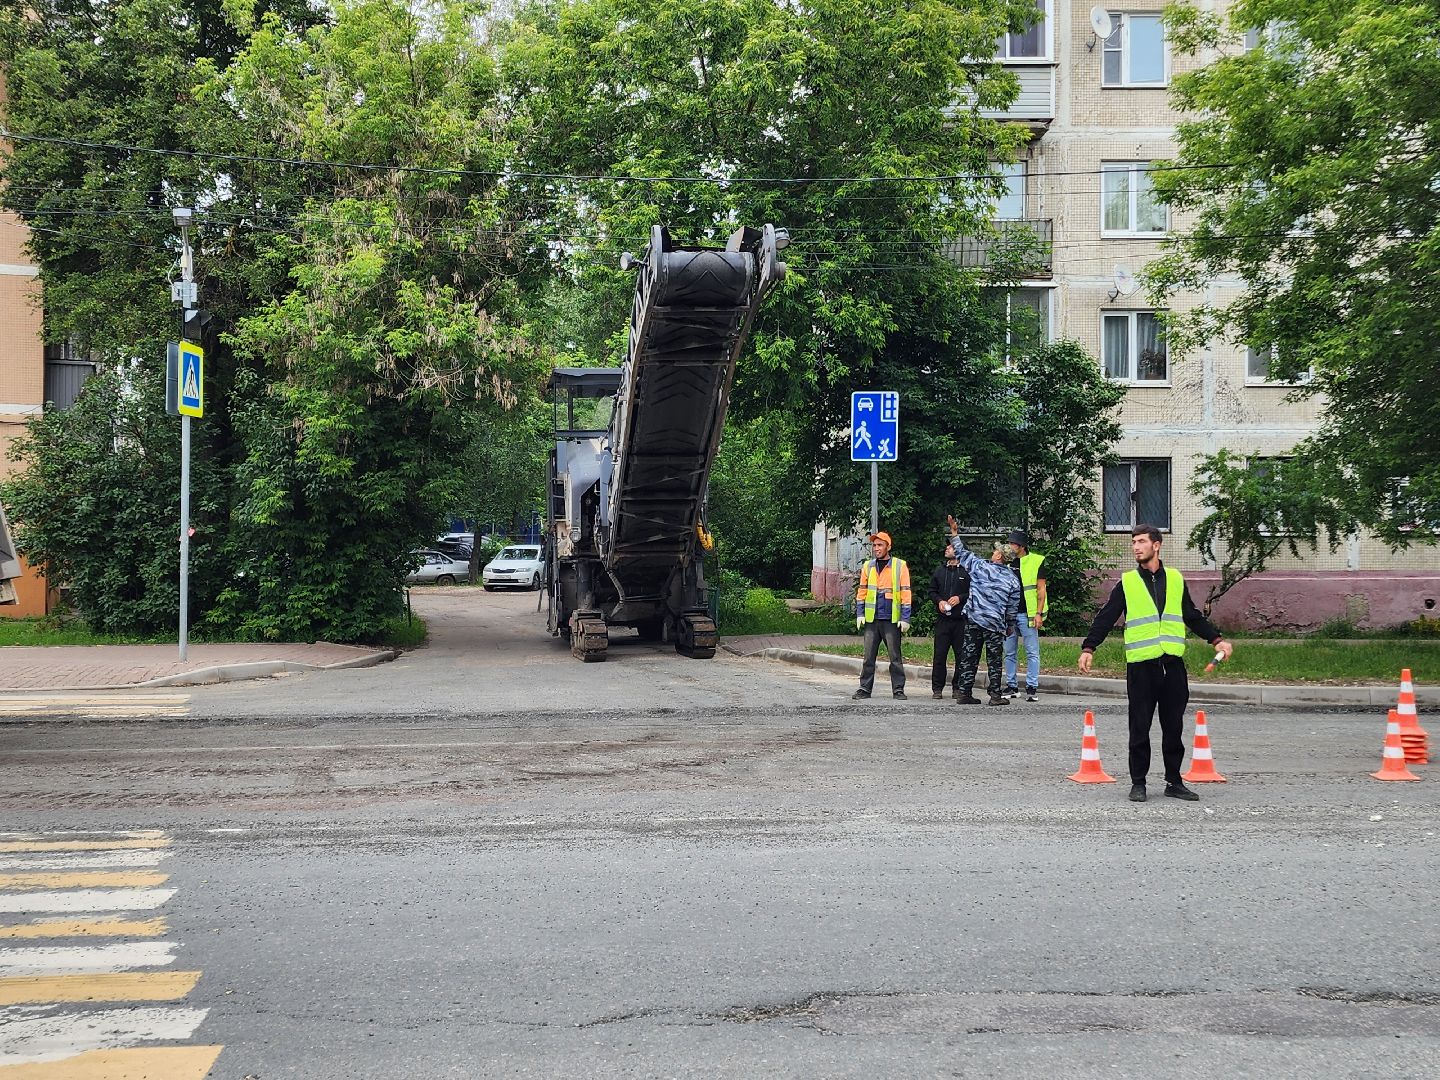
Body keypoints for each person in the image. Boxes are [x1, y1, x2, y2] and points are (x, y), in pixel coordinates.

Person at [1078, 524, 1234, 803]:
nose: (1136, 547)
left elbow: (1192, 616)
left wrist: (1216, 640)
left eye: (1141, 542)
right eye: (1134, 543)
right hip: (1141, 666)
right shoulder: (1127, 582)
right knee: (1139, 727)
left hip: (1173, 665)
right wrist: (1089, 647)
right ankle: (1138, 783)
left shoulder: (1175, 579)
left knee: (1173, 727)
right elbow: (1106, 616)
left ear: (1156, 545)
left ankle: (1174, 782)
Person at [945, 516, 1022, 706]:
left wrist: (955, 533)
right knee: (994, 659)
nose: (993, 551)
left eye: (996, 550)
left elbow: (961, 553)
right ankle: (995, 695)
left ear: (999, 556)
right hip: (995, 624)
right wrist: (1010, 625)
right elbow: (1012, 606)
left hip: (973, 619)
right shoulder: (1012, 579)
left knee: (969, 656)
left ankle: (964, 692)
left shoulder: (980, 567)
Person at [853, 531, 912, 700]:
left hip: (891, 619)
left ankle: (898, 689)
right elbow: (862, 591)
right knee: (868, 657)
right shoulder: (868, 566)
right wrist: (860, 613)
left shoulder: (899, 566)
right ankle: (864, 688)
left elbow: (906, 592)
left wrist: (905, 617)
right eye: (874, 545)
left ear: (888, 547)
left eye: (880, 545)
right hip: (872, 618)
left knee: (895, 657)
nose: (876, 548)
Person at [1001, 529, 1046, 702]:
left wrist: (1038, 613)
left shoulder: (1035, 561)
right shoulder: (1008, 562)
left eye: (1013, 543)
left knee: (1032, 651)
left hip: (1027, 614)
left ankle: (1032, 687)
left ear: (1022, 546)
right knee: (1009, 652)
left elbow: (1041, 589)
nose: (1010, 546)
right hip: (1010, 615)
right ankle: (1012, 685)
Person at [928, 540, 970, 699]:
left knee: (961, 655)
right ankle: (937, 688)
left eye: (951, 547)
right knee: (939, 655)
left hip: (960, 620)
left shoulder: (966, 571)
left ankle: (957, 687)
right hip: (942, 621)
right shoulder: (940, 571)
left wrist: (960, 598)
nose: (947, 548)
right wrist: (939, 601)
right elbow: (931, 591)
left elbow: (973, 592)